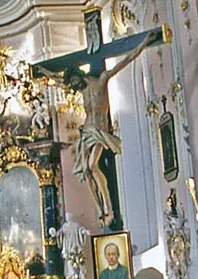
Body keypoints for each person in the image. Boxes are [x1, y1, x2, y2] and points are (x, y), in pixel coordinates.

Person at [65, 34, 152, 227]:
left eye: (73, 82)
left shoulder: (101, 79)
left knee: (92, 165)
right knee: (86, 170)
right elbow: (56, 78)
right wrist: (42, 71)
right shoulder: (82, 91)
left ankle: (109, 208)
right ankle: (99, 209)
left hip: (100, 131)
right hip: (87, 132)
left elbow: (125, 61)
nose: (73, 87)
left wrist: (143, 44)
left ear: (78, 75)